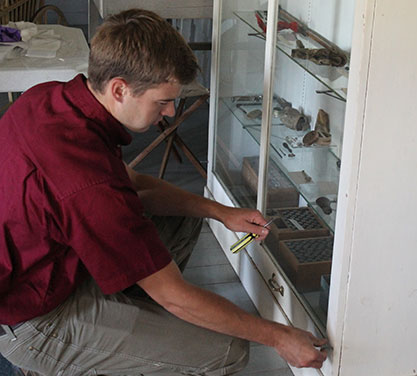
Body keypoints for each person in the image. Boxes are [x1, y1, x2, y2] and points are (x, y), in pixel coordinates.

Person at [0, 9, 327, 376]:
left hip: (44, 268)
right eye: (162, 101)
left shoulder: (49, 99)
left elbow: (133, 183)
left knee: (185, 217)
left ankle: (130, 332)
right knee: (227, 352)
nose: (171, 113)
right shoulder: (89, 186)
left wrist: (221, 211)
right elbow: (172, 294)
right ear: (120, 89)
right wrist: (280, 336)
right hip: (32, 319)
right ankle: (110, 351)